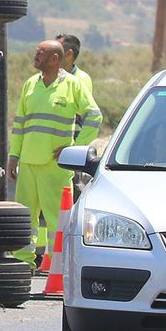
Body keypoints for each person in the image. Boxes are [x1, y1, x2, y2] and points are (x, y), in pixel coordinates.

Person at [9, 39, 102, 269]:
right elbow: (20, 123)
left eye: (41, 53)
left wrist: (74, 148)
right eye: (36, 51)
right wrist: (14, 155)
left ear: (55, 59)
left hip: (56, 166)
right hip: (29, 163)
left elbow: (94, 116)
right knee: (25, 218)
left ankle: (58, 267)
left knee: (56, 219)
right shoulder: (30, 84)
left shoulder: (72, 85)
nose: (36, 56)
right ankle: (23, 262)